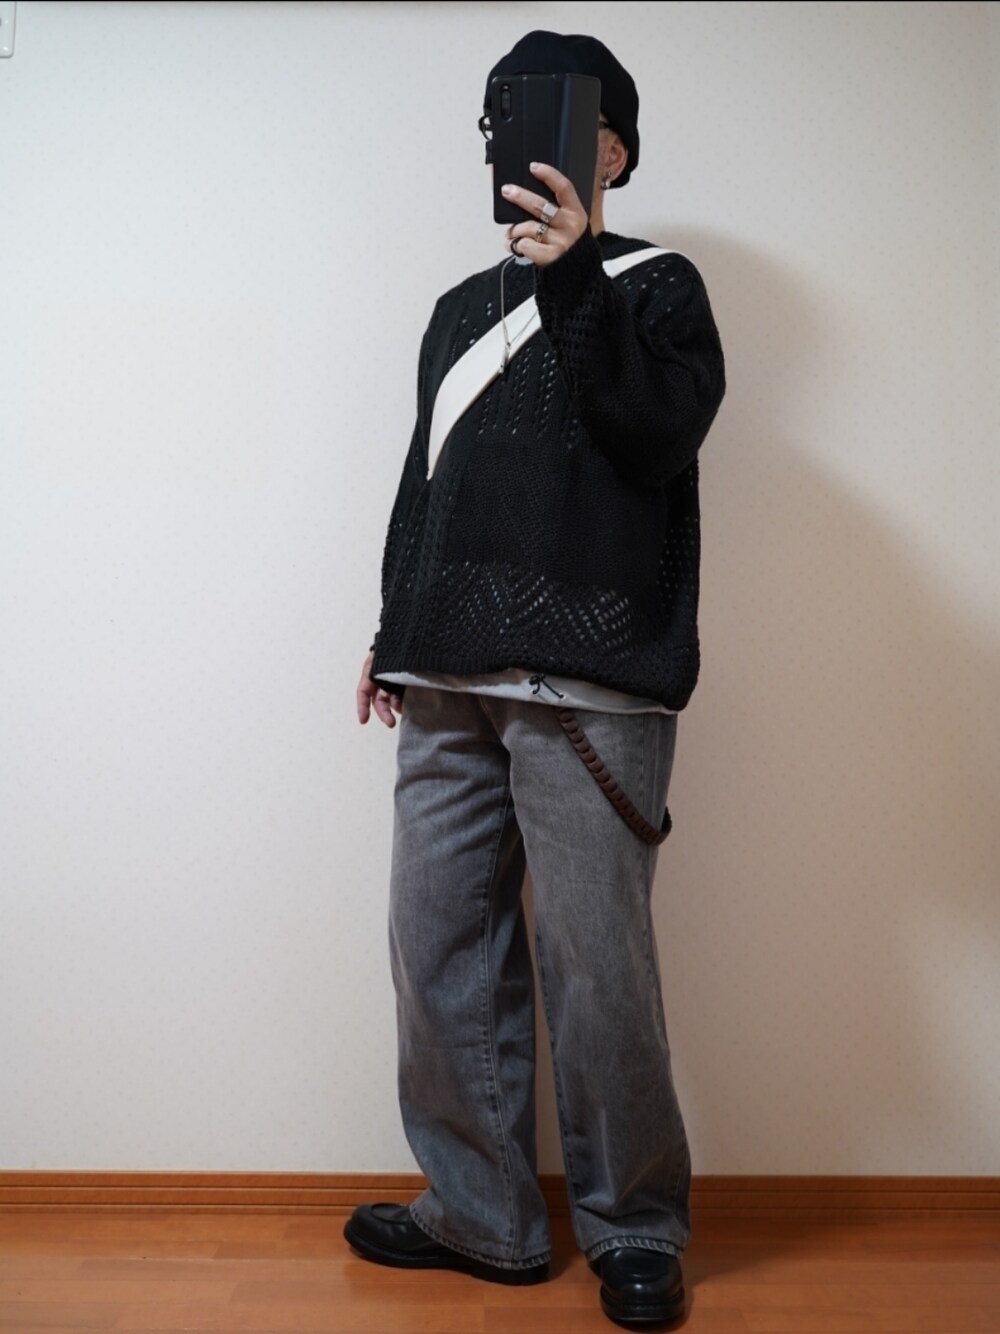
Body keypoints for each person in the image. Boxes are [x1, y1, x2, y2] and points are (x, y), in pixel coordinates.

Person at [346, 29, 725, 1330]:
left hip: (590, 691)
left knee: (596, 968)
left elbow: (652, 436)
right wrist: (392, 627)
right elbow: (429, 485)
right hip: (445, 676)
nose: (513, 148)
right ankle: (484, 1215)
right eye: (496, 125)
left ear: (608, 149)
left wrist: (573, 282)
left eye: (551, 123)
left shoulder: (659, 288)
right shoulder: (458, 308)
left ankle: (637, 1225)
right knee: (437, 947)